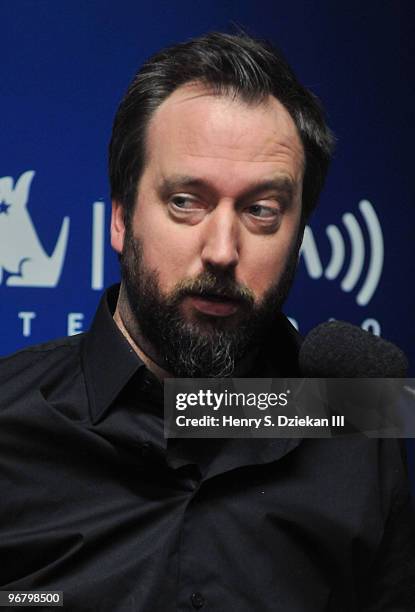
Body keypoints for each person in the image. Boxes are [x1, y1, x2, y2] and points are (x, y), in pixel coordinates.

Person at [0, 32, 414, 611]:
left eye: (261, 210)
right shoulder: (10, 423)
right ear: (120, 218)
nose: (222, 250)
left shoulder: (360, 417)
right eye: (185, 202)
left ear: (298, 236)